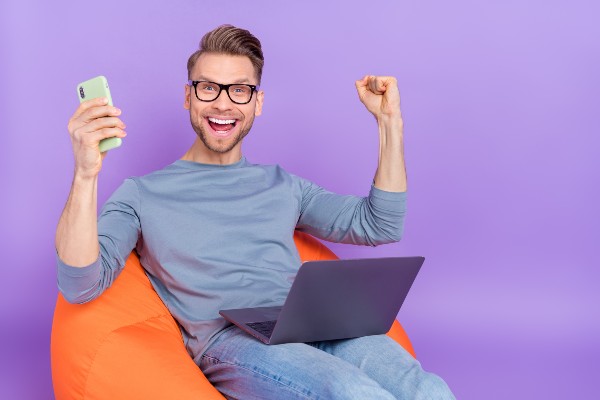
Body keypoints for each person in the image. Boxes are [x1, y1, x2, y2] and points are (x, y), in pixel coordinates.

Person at [56, 24, 454, 400]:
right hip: (232, 342)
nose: (223, 103)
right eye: (209, 87)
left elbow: (379, 224)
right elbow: (80, 284)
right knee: (349, 391)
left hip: (316, 321)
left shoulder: (284, 185)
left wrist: (390, 123)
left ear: (257, 102)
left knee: (425, 389)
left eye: (240, 90)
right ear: (189, 96)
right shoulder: (142, 194)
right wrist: (85, 174)